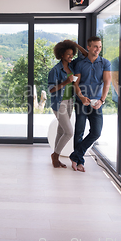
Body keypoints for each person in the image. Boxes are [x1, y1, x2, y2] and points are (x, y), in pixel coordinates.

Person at [71, 36, 111, 172]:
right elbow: (75, 83)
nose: (98, 49)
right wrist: (81, 97)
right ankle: (79, 162)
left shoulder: (105, 63)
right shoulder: (80, 64)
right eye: (95, 46)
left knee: (96, 132)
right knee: (79, 131)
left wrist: (102, 100)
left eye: (99, 47)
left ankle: (75, 156)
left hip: (97, 103)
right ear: (88, 47)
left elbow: (107, 83)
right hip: (81, 101)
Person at [47, 40, 87, 168]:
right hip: (60, 104)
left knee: (61, 130)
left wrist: (75, 45)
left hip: (70, 102)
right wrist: (65, 82)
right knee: (69, 132)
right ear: (61, 54)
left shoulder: (73, 66)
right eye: (68, 54)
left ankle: (56, 157)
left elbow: (86, 55)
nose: (71, 56)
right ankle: (55, 155)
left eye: (72, 54)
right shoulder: (55, 70)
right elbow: (51, 89)